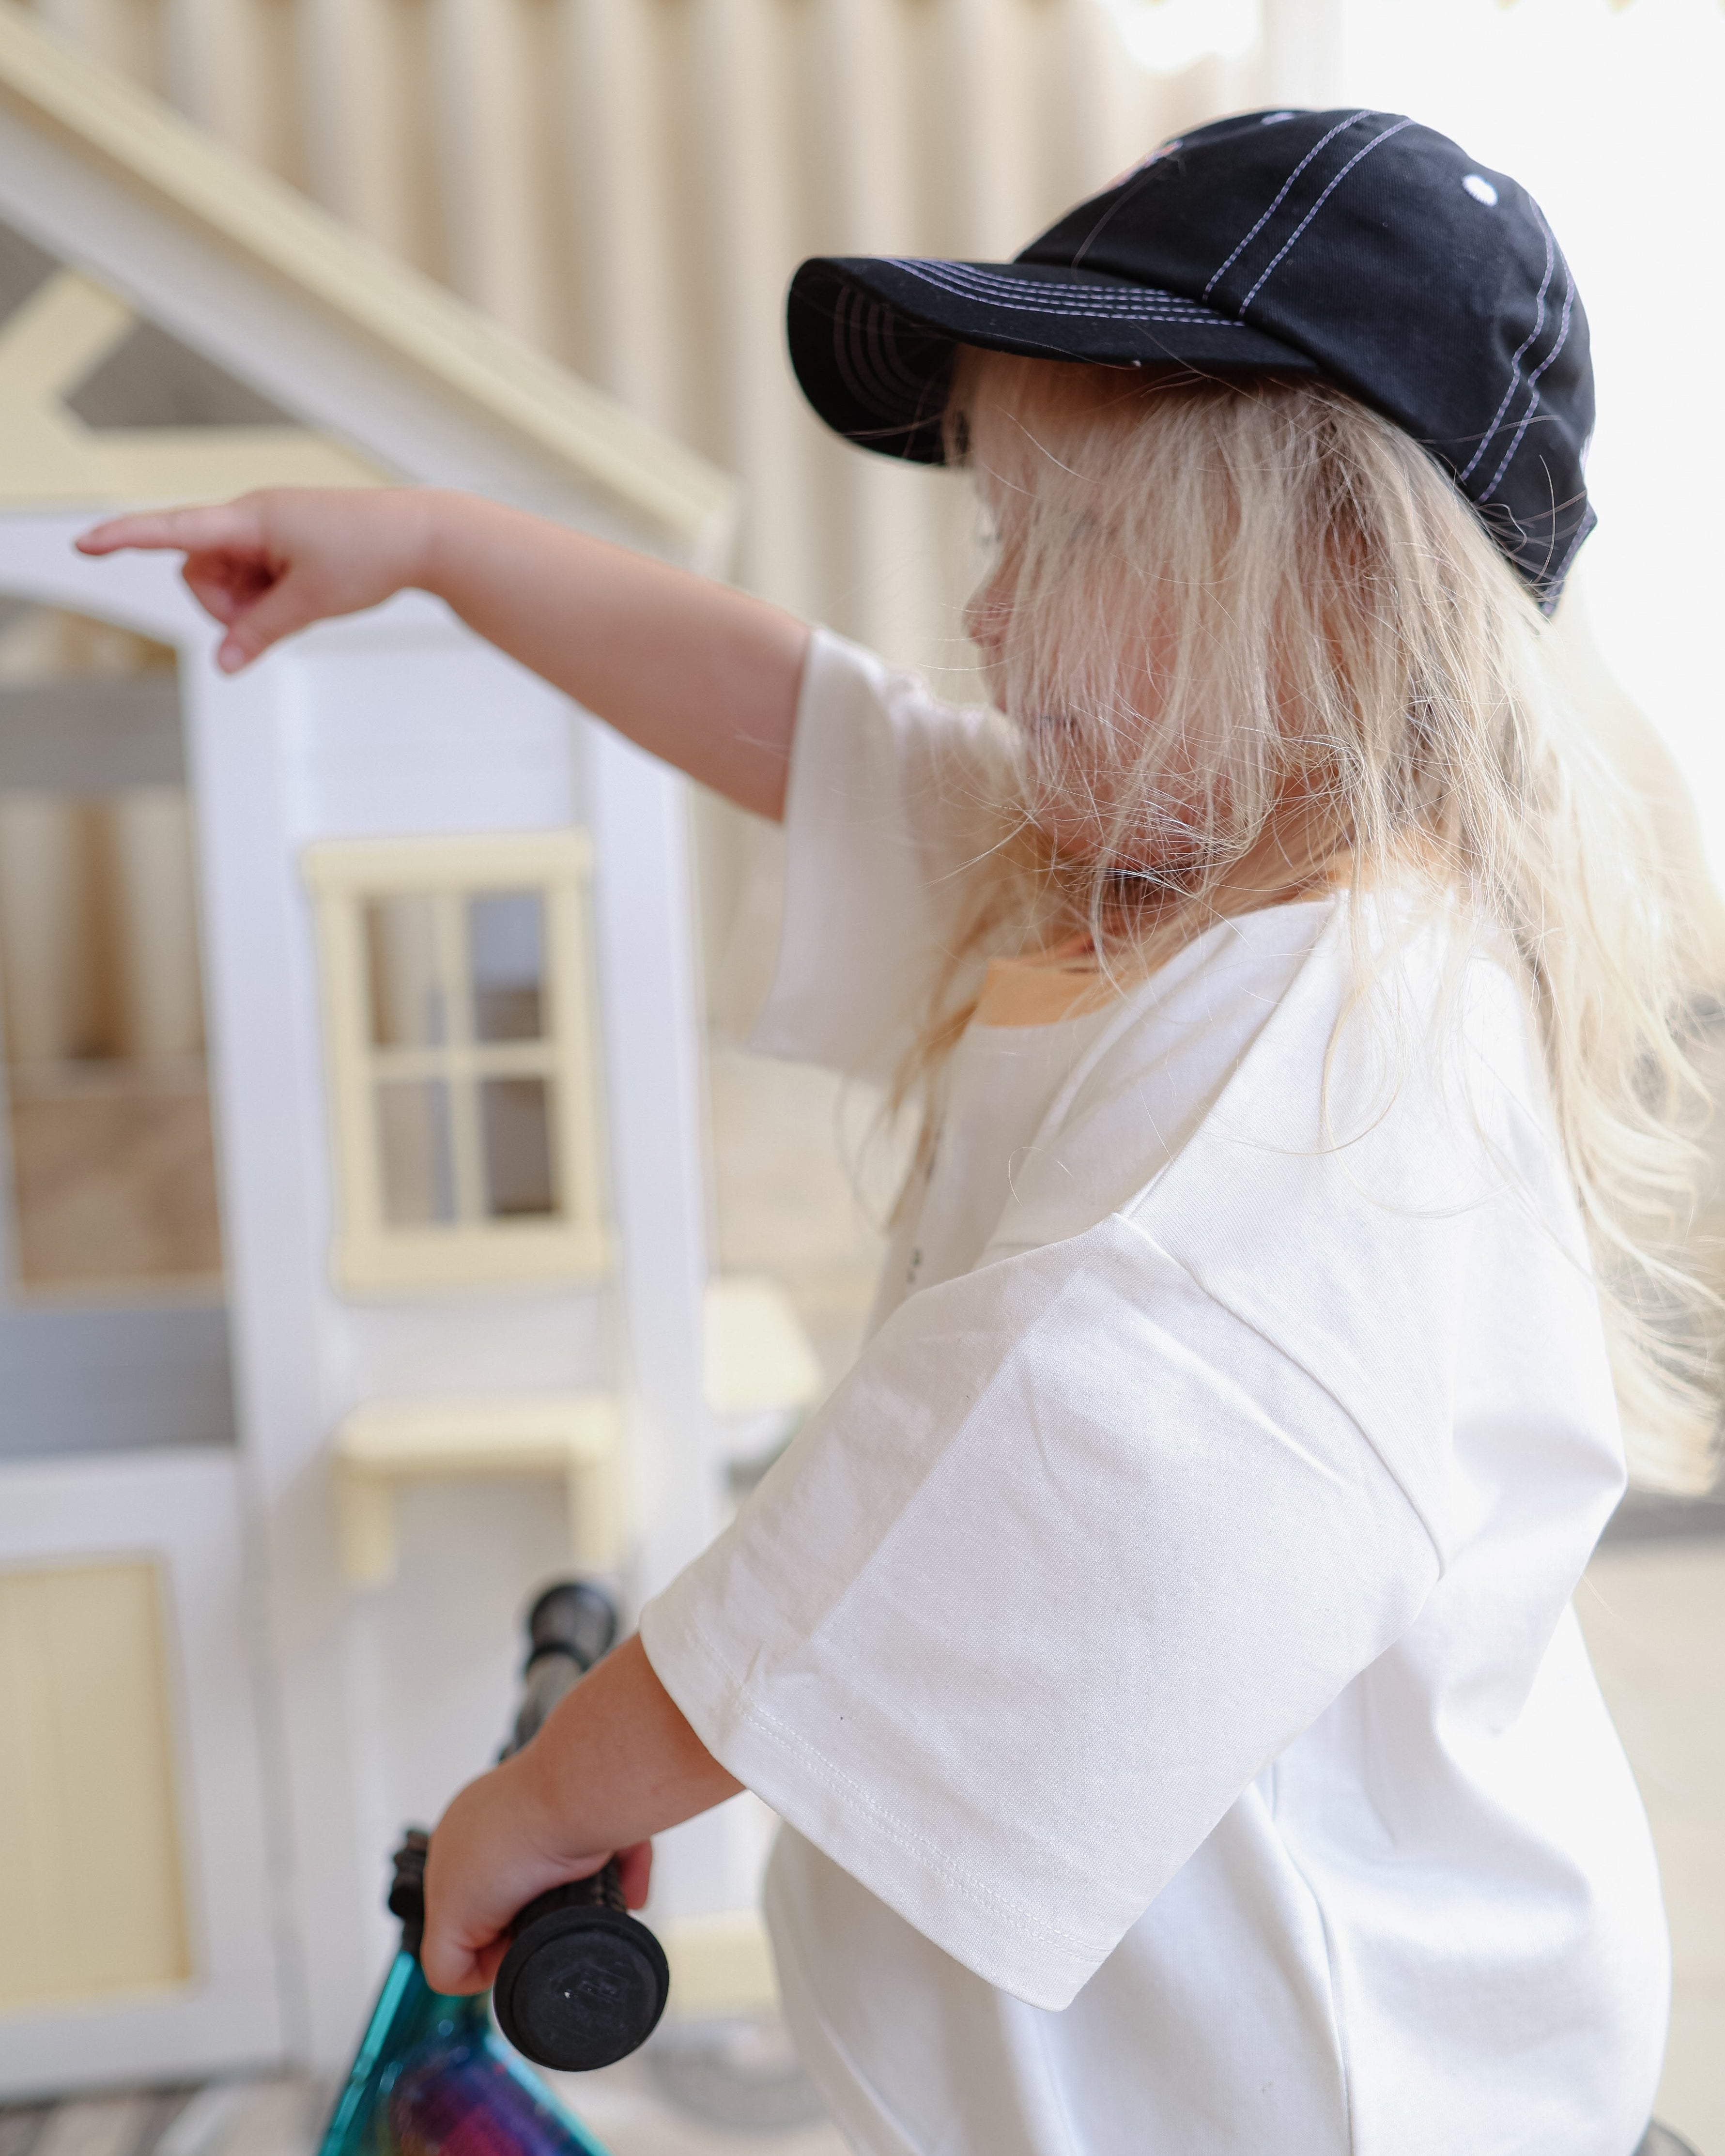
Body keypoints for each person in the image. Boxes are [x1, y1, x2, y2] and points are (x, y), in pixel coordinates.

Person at [81, 108, 1712, 2156]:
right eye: (1001, 540)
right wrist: (436, 548)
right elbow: (798, 715)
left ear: (1342, 593)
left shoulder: (1341, 1080)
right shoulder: (1146, 875)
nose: (996, 623)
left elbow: (942, 1508)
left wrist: (554, 1800)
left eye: (1083, 546)